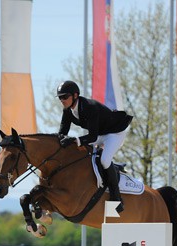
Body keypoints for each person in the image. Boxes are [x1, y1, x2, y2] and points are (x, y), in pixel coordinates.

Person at [56, 80, 133, 213]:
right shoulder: (68, 111)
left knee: (104, 160)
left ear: (75, 95)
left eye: (65, 96)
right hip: (100, 134)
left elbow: (91, 137)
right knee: (77, 151)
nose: (62, 100)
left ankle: (116, 197)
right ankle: (112, 170)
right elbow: (62, 133)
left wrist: (75, 140)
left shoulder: (89, 106)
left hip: (114, 133)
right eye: (60, 97)